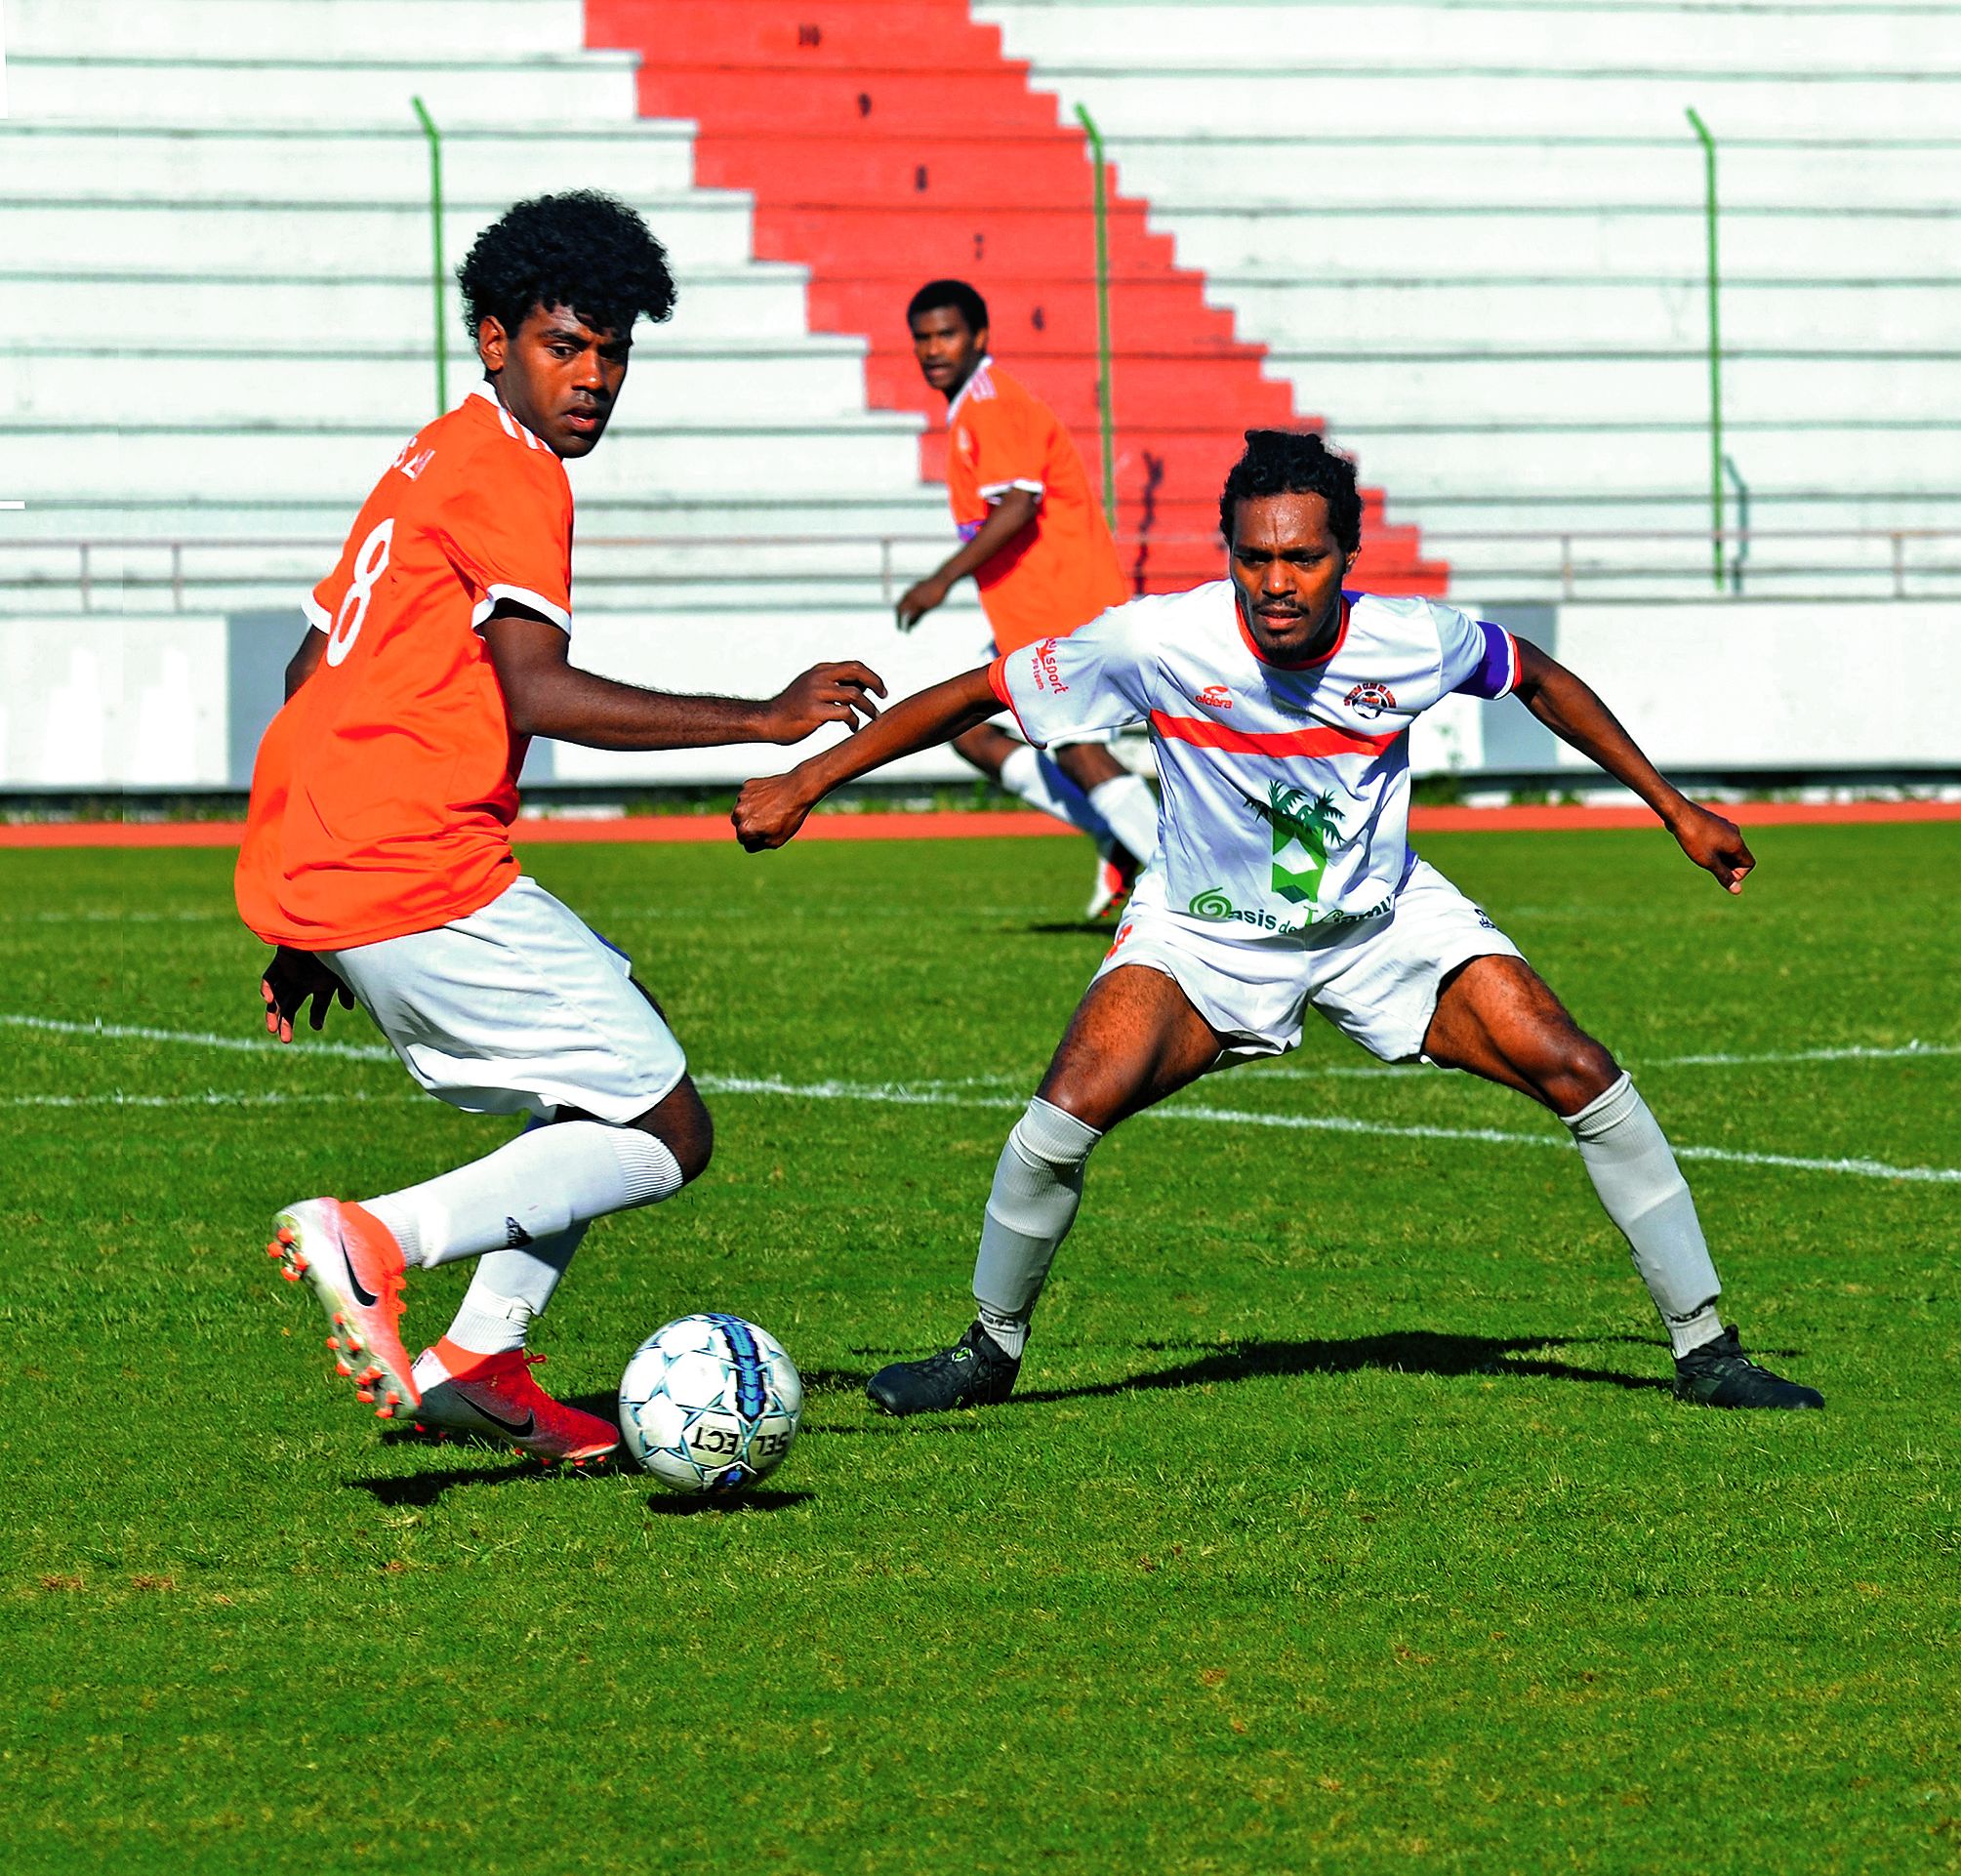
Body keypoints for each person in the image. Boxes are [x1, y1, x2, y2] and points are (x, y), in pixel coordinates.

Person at [736, 428, 1824, 1415]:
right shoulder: (1156, 642)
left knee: (1577, 1068)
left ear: (1343, 556)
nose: (1275, 581)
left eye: (1300, 557)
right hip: (1202, 936)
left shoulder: (1411, 639)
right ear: (1228, 557)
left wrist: (1670, 805)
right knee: (1058, 1118)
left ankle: (1706, 1349)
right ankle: (986, 1349)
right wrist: (808, 778)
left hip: (1378, 921)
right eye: (1253, 558)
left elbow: (1533, 675)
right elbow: (977, 692)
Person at [236, 191, 884, 1465]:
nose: (592, 378)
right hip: (418, 859)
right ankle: (377, 1237)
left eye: (613, 350)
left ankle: (481, 1360)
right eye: (562, 345)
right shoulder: (512, 472)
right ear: (494, 340)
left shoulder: (429, 456)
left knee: (596, 1081)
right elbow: (533, 688)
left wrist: (311, 915)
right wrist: (759, 718)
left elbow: (314, 665)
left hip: (349, 860)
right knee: (661, 1127)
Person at [896, 278, 1160, 918]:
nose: (933, 349)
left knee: (1075, 747)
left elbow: (1019, 505)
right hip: (1026, 613)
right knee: (966, 730)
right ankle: (1114, 837)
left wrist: (942, 579)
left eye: (946, 334)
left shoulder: (991, 403)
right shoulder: (968, 410)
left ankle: (1182, 885)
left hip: (1064, 606)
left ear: (979, 337)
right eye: (922, 338)